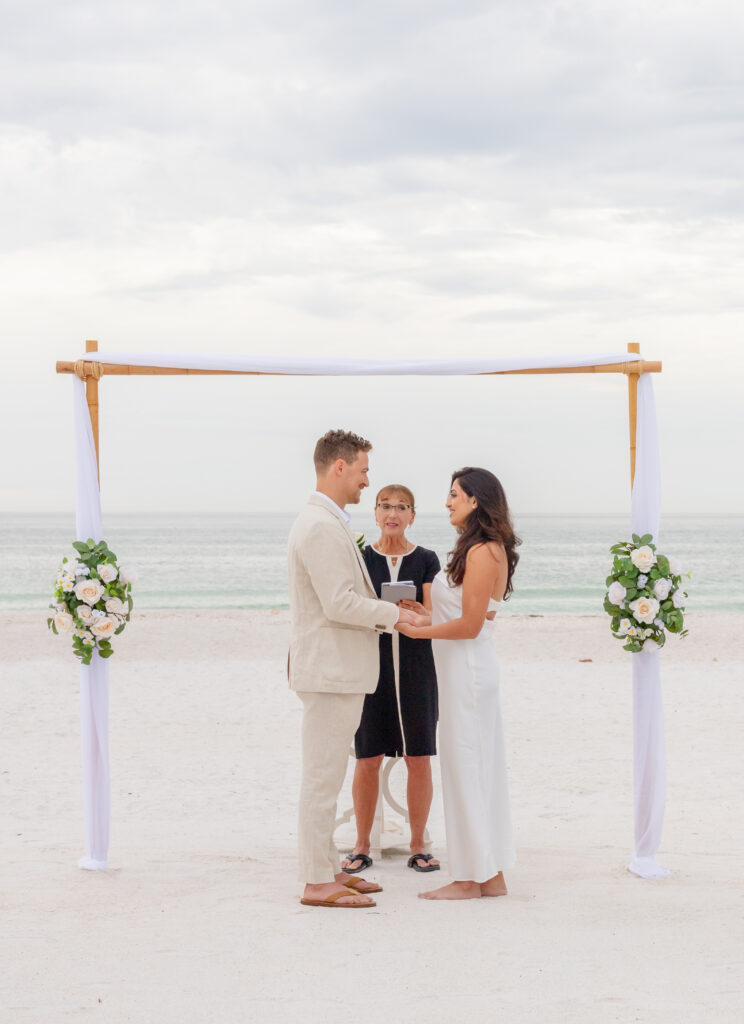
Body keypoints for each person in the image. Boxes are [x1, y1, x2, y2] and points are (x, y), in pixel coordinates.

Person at [287, 430, 426, 909]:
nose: (367, 481)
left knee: (324, 776)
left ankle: (328, 869)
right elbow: (339, 603)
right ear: (339, 467)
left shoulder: (327, 521)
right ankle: (315, 882)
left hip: (336, 670)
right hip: (329, 672)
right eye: (364, 470)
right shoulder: (320, 525)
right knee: (322, 779)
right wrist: (395, 615)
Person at [397, 467, 520, 900]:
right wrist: (422, 616)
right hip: (463, 671)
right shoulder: (481, 548)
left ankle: (469, 879)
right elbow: (469, 616)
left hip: (467, 672)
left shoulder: (485, 551)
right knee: (475, 768)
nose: (447, 502)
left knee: (467, 768)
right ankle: (490, 876)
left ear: (475, 500)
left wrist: (419, 633)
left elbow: (469, 627)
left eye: (454, 494)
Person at [341, 484, 442, 876]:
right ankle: (362, 844)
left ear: (413, 515)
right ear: (375, 512)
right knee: (367, 758)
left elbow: (436, 615)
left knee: (419, 758)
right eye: (385, 506)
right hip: (372, 668)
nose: (393, 513)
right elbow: (349, 606)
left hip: (418, 668)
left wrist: (418, 611)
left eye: (402, 507)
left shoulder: (427, 559)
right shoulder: (362, 558)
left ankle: (419, 844)